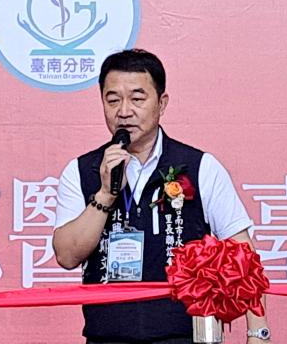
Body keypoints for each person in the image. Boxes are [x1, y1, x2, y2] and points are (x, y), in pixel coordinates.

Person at [53, 49, 272, 344]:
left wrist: (258, 333)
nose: (124, 111)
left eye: (137, 99)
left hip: (186, 336)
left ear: (162, 103)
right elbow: (67, 256)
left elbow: (242, 256)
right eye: (113, 100)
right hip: (107, 337)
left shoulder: (200, 167)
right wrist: (105, 194)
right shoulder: (82, 170)